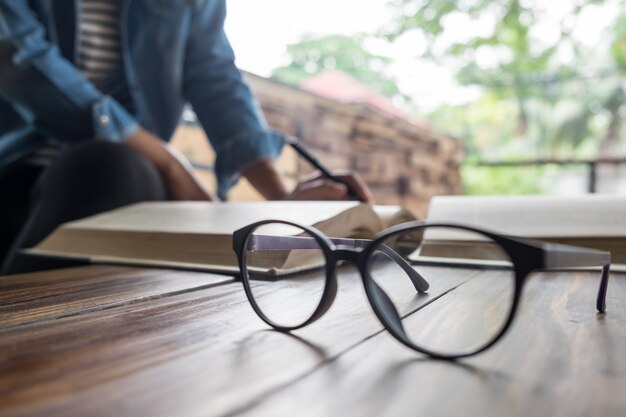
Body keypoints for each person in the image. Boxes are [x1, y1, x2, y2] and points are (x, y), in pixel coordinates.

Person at [0, 0, 373, 274]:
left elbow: (215, 79)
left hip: (131, 184)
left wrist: (282, 203)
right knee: (108, 164)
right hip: (19, 169)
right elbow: (19, 60)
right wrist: (168, 161)